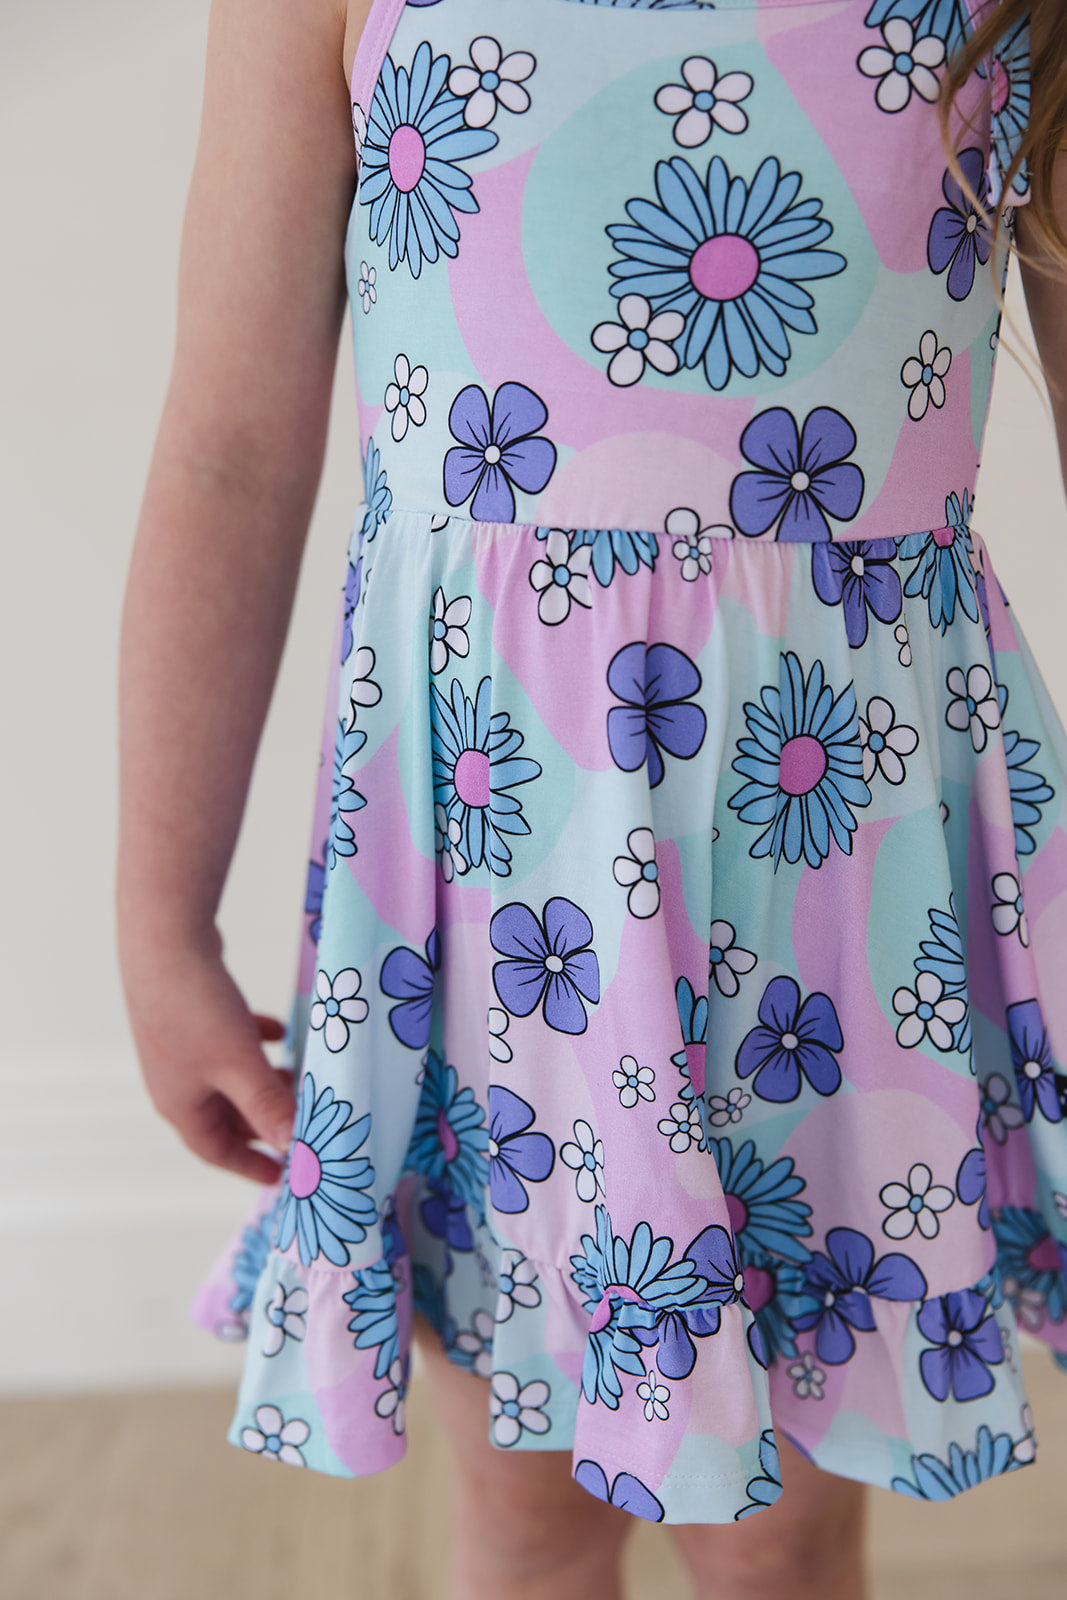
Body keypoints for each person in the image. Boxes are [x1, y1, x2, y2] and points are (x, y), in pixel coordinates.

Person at [117, 0, 1067, 1595]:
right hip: (507, 889)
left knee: (775, 1537)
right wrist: (162, 923)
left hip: (831, 875)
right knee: (532, 1507)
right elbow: (231, 447)